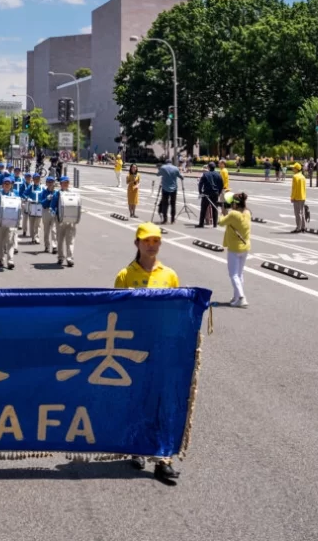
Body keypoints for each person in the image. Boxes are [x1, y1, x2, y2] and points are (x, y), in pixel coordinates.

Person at [112, 221, 181, 484]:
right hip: (135, 349)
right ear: (137, 243)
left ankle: (164, 460)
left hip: (163, 349)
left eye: (156, 241)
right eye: (147, 241)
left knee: (164, 404)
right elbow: (116, 315)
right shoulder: (125, 275)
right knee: (138, 400)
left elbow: (178, 313)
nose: (152, 245)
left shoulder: (170, 275)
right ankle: (137, 446)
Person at [218, 191, 251, 308]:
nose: (231, 205)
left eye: (232, 203)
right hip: (245, 247)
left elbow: (221, 222)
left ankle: (241, 297)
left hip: (234, 248)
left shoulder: (233, 215)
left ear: (236, 205)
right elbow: (232, 219)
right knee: (240, 274)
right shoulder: (247, 213)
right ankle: (236, 297)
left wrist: (222, 212)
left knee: (233, 274)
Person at [0, 176, 20, 269]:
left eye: (9, 184)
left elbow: (18, 206)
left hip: (12, 222)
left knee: (10, 241)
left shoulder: (15, 194)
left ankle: (10, 260)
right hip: (1, 221)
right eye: (5, 184)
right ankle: (0, 259)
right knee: (0, 242)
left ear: (11, 185)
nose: (7, 185)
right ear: (3, 185)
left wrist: (20, 214)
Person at [52, 176, 79, 267]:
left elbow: (77, 205)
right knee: (60, 240)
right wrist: (53, 211)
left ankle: (70, 258)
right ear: (61, 184)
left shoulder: (73, 194)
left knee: (70, 240)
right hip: (60, 220)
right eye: (64, 183)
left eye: (67, 182)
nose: (65, 184)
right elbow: (52, 206)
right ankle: (60, 257)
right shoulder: (57, 194)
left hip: (71, 220)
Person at [197, 163, 223, 228]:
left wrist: (200, 192)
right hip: (215, 193)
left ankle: (201, 223)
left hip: (206, 193)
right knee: (215, 208)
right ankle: (215, 224)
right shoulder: (218, 174)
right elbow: (221, 185)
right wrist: (219, 192)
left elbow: (200, 184)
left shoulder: (205, 174)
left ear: (208, 167)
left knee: (203, 209)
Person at [157, 160, 181, 225]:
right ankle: (172, 220)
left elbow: (158, 174)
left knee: (165, 204)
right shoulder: (175, 168)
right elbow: (180, 176)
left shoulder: (163, 167)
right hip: (174, 188)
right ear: (171, 163)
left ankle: (165, 219)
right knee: (173, 204)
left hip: (165, 188)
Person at [40, 175, 57, 255]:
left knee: (54, 230)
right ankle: (47, 245)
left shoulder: (56, 192)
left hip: (54, 212)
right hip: (46, 211)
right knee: (46, 230)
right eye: (48, 182)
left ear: (54, 183)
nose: (50, 184)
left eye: (51, 182)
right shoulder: (44, 192)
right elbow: (42, 203)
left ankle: (54, 246)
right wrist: (47, 199)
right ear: (46, 183)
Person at [290, 162, 307, 233]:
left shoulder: (295, 177)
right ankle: (303, 227)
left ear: (296, 169)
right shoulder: (303, 177)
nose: (292, 169)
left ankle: (298, 227)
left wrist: (292, 197)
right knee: (302, 212)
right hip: (303, 196)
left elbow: (294, 188)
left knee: (297, 213)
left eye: (293, 168)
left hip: (297, 196)